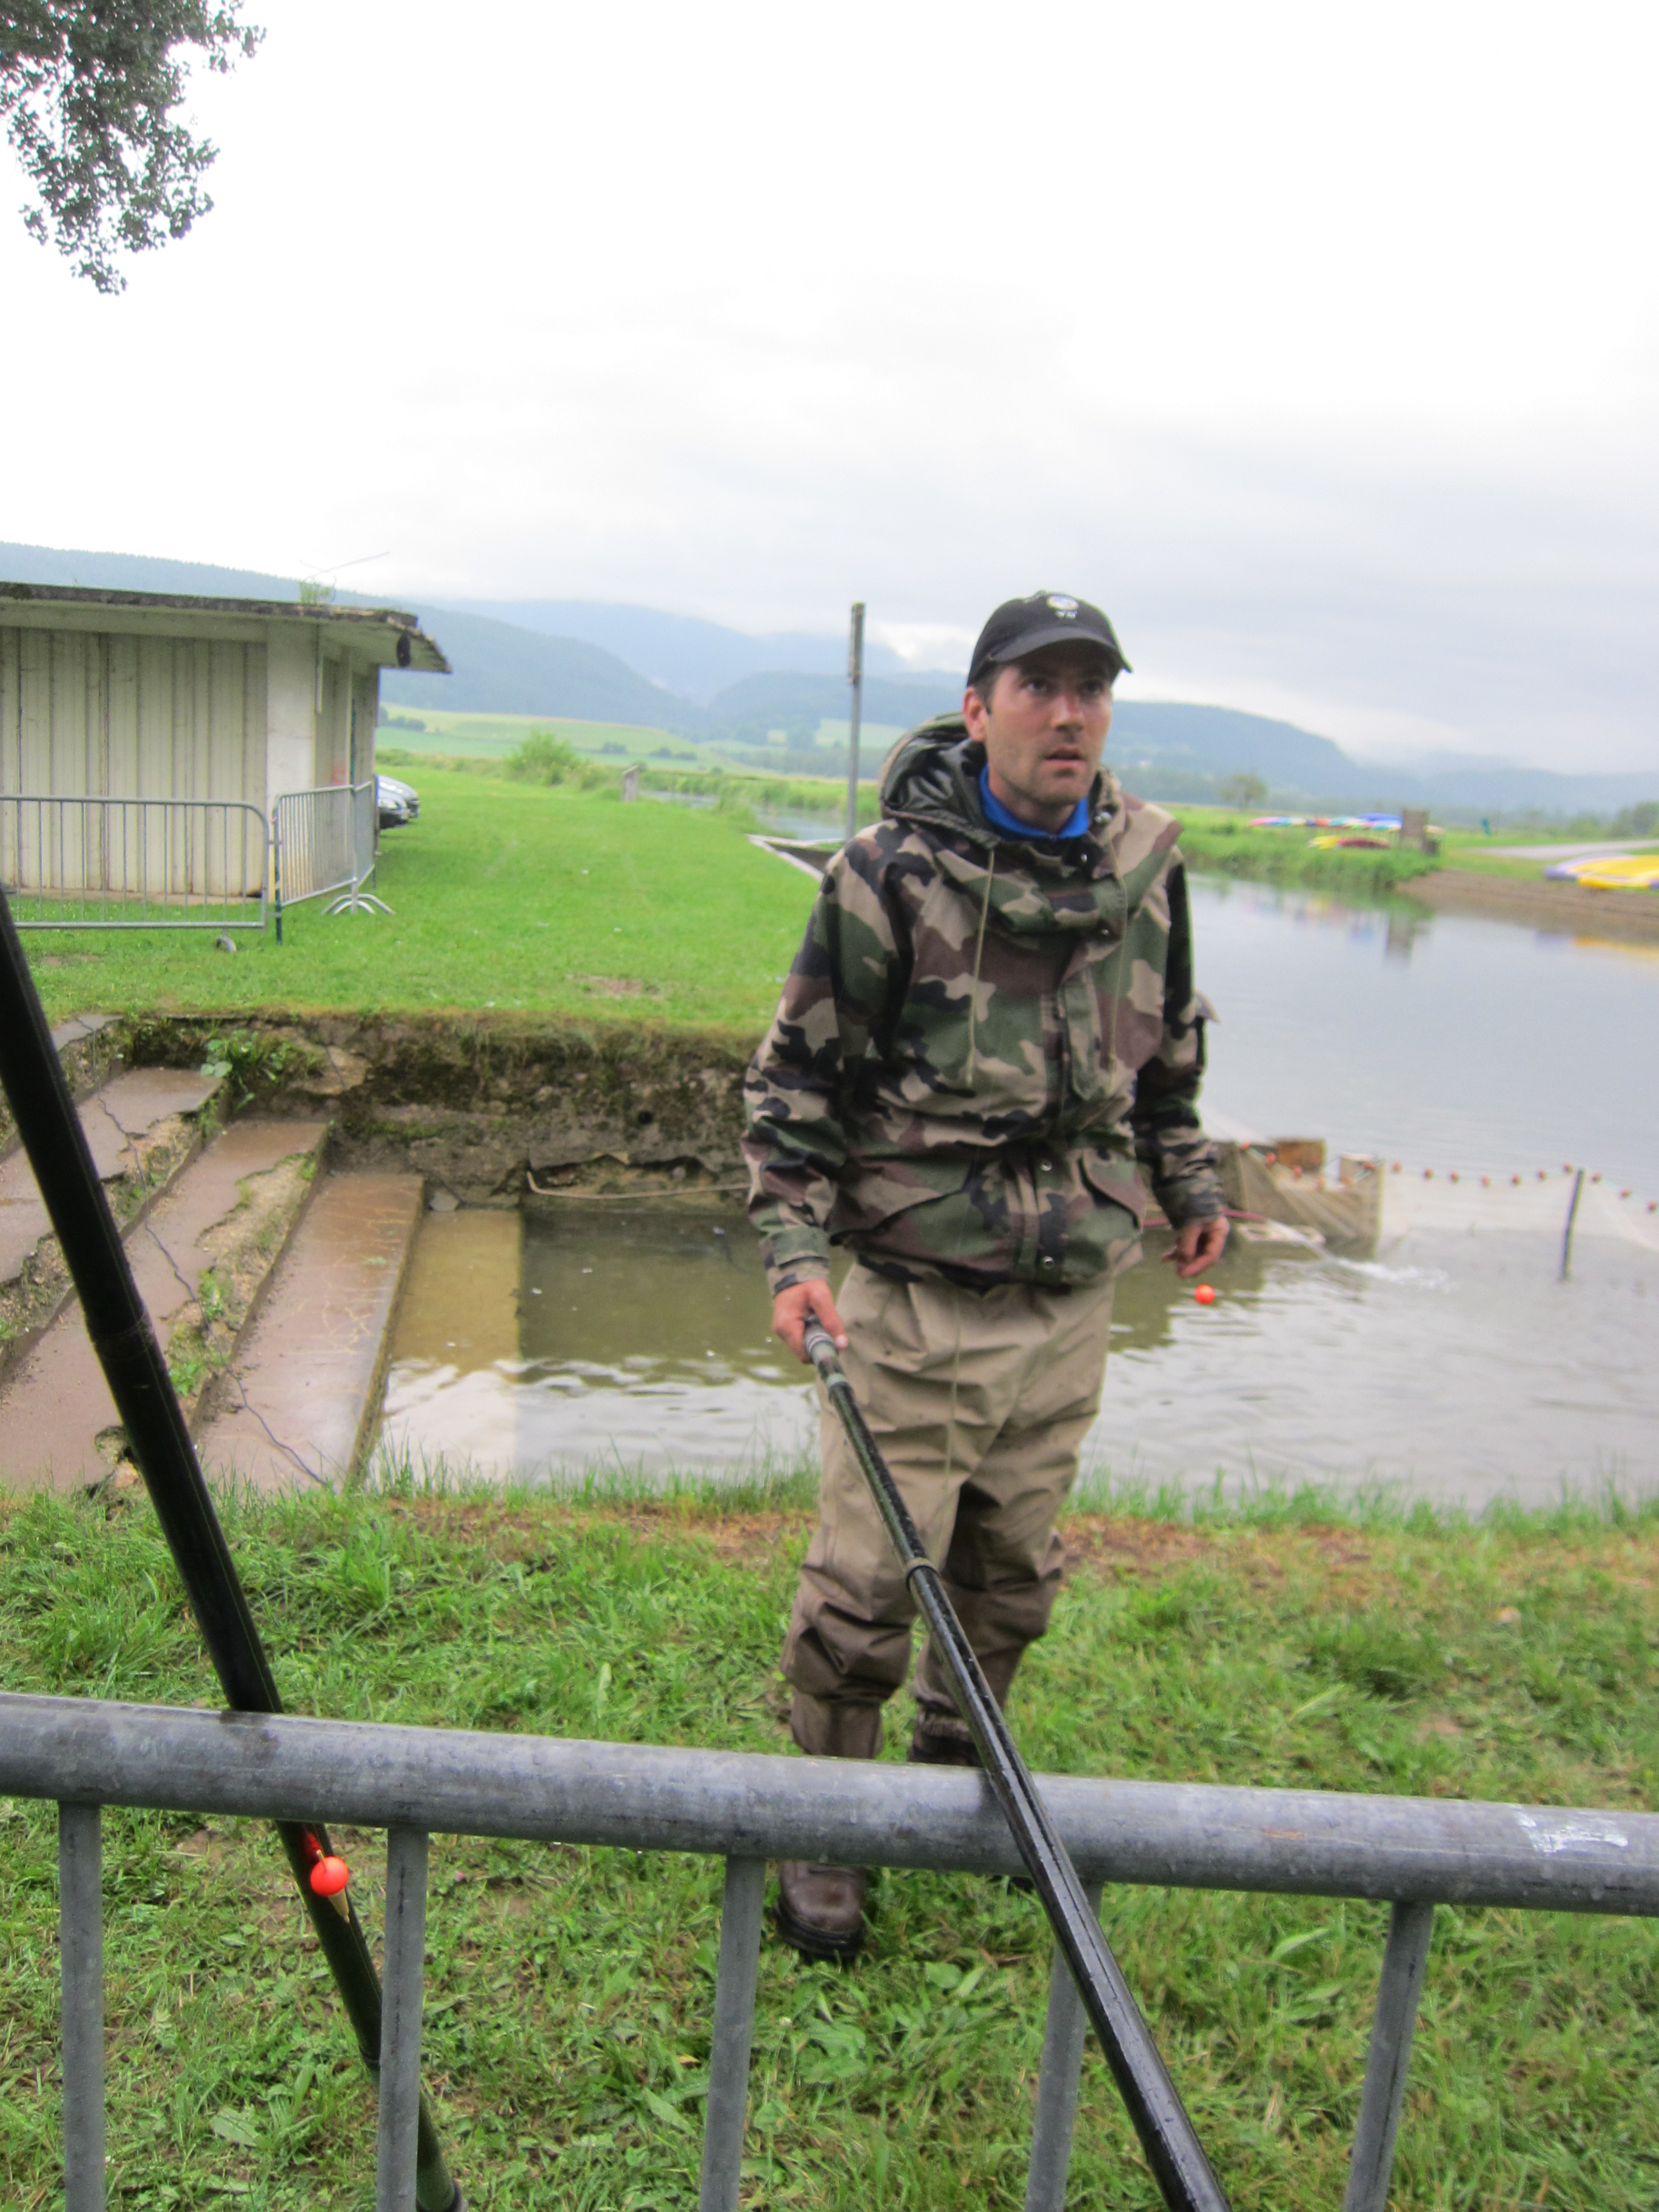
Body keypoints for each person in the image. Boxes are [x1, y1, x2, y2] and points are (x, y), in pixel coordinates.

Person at [742, 590, 1229, 1959]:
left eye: (1092, 689)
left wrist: (1190, 1183)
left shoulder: (1149, 863)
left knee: (1013, 1570)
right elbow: (793, 1088)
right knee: (863, 1588)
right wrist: (793, 1251)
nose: (1070, 714)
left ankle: (959, 1777)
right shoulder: (887, 875)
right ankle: (831, 1833)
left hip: (1072, 1291)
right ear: (979, 708)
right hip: (917, 1299)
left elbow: (1170, 1057)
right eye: (1038, 688)